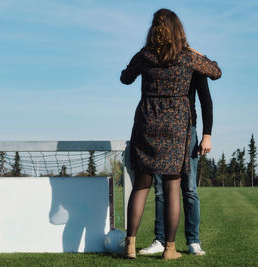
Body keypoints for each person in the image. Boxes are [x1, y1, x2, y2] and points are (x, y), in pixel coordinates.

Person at [119, 8, 221, 260]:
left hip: (147, 122)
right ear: (178, 30)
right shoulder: (188, 57)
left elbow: (124, 78)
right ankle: (170, 249)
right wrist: (199, 54)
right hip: (177, 125)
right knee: (172, 187)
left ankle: (130, 245)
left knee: (142, 185)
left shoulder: (144, 56)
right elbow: (216, 72)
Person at [139, 72, 212, 256]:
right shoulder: (161, 62)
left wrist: (207, 135)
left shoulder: (193, 63)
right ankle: (160, 240)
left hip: (188, 130)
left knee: (189, 189)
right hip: (160, 132)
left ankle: (193, 241)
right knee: (161, 190)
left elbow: (206, 101)